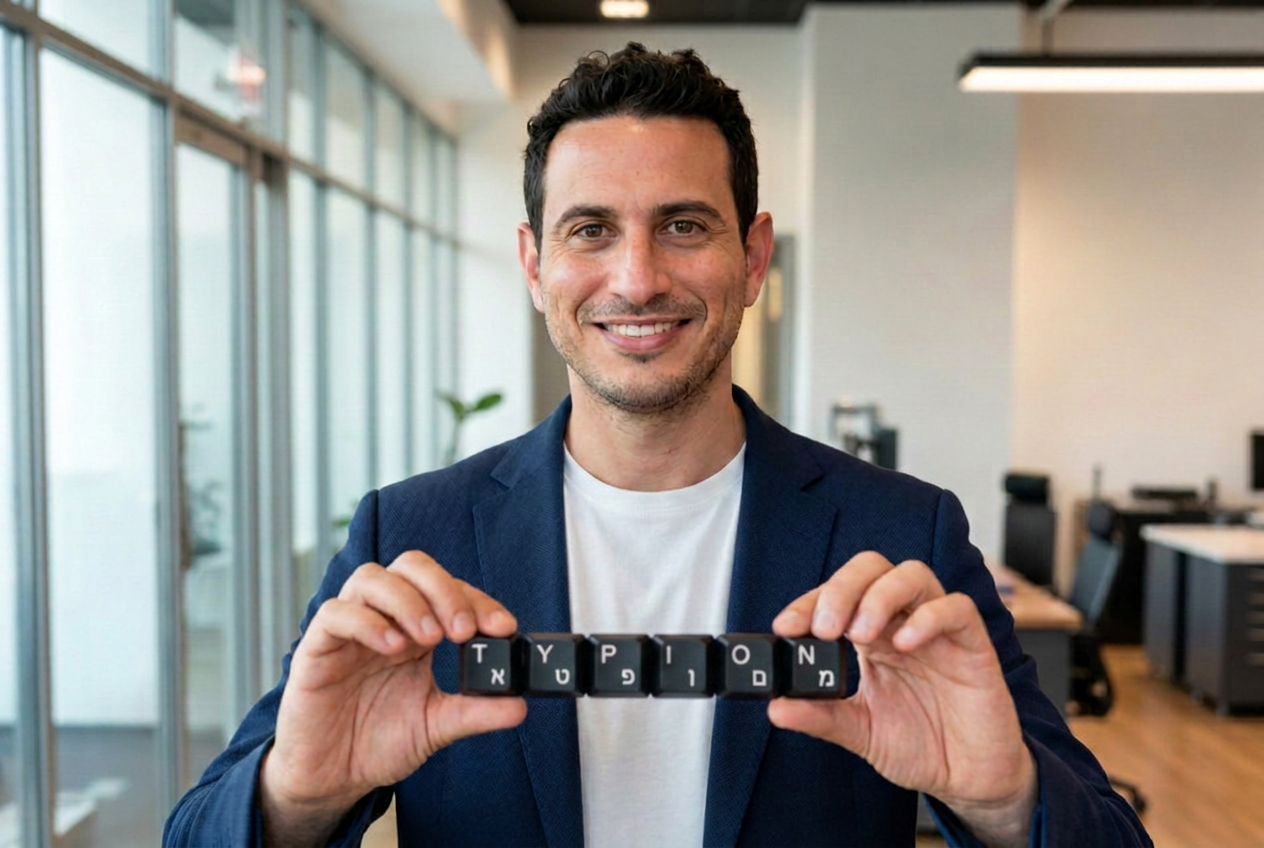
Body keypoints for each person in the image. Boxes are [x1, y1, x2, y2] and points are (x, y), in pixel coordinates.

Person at [164, 43, 1150, 848]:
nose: (636, 278)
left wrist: (1002, 797)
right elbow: (196, 834)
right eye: (590, 229)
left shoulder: (900, 534)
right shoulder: (414, 533)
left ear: (752, 255)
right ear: (533, 261)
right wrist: (296, 794)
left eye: (682, 224)